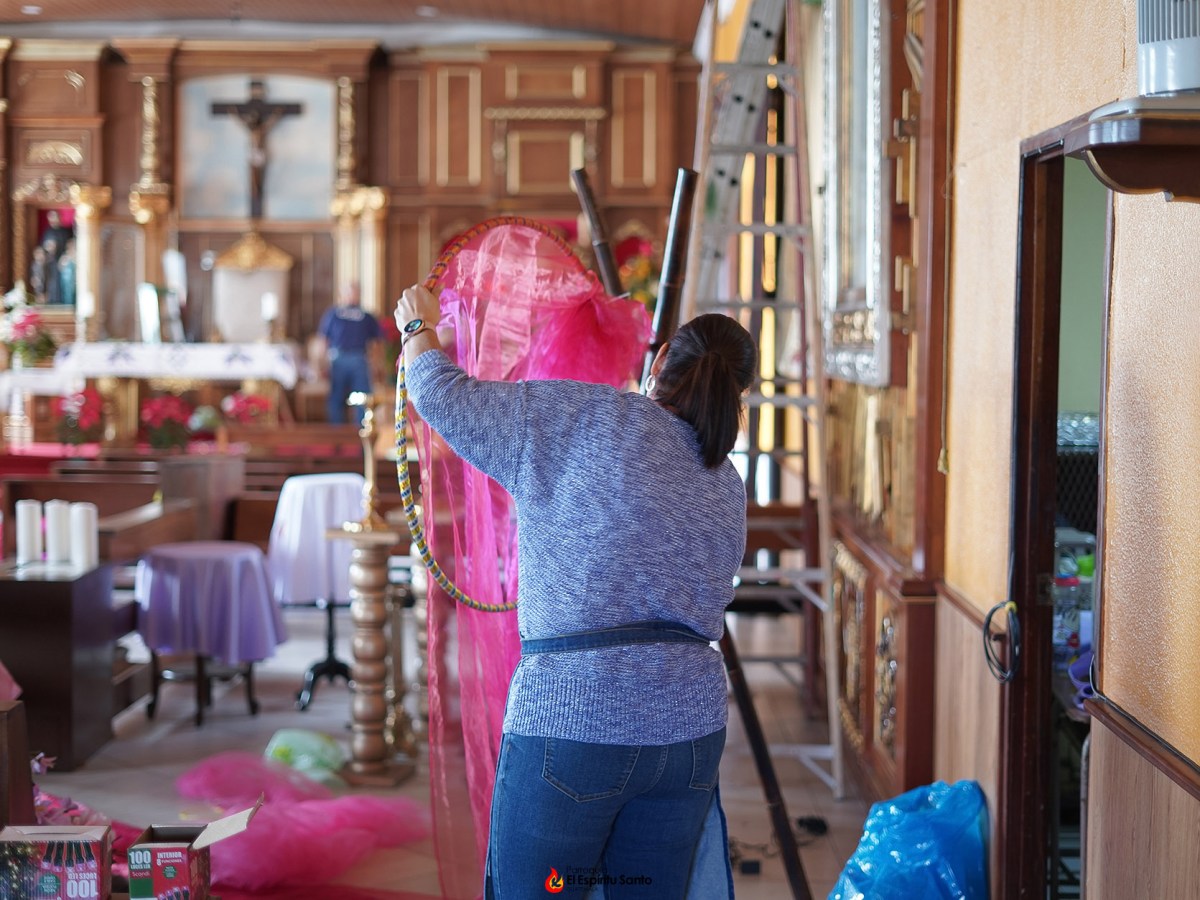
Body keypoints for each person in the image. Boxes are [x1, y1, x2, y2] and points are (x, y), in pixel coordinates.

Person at [395, 283, 757, 899]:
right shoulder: (726, 483)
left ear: (661, 356)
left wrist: (416, 329)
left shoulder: (587, 417)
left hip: (575, 720)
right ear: (735, 392)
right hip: (688, 736)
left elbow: (442, 395)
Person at [317, 282, 382, 425]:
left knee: (362, 397)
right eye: (348, 292)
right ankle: (337, 433)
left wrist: (375, 363)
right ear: (342, 294)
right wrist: (321, 361)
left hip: (359, 358)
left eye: (354, 292)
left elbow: (376, 342)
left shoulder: (366, 316)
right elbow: (324, 339)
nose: (352, 295)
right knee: (336, 397)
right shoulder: (333, 313)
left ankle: (362, 432)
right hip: (338, 358)